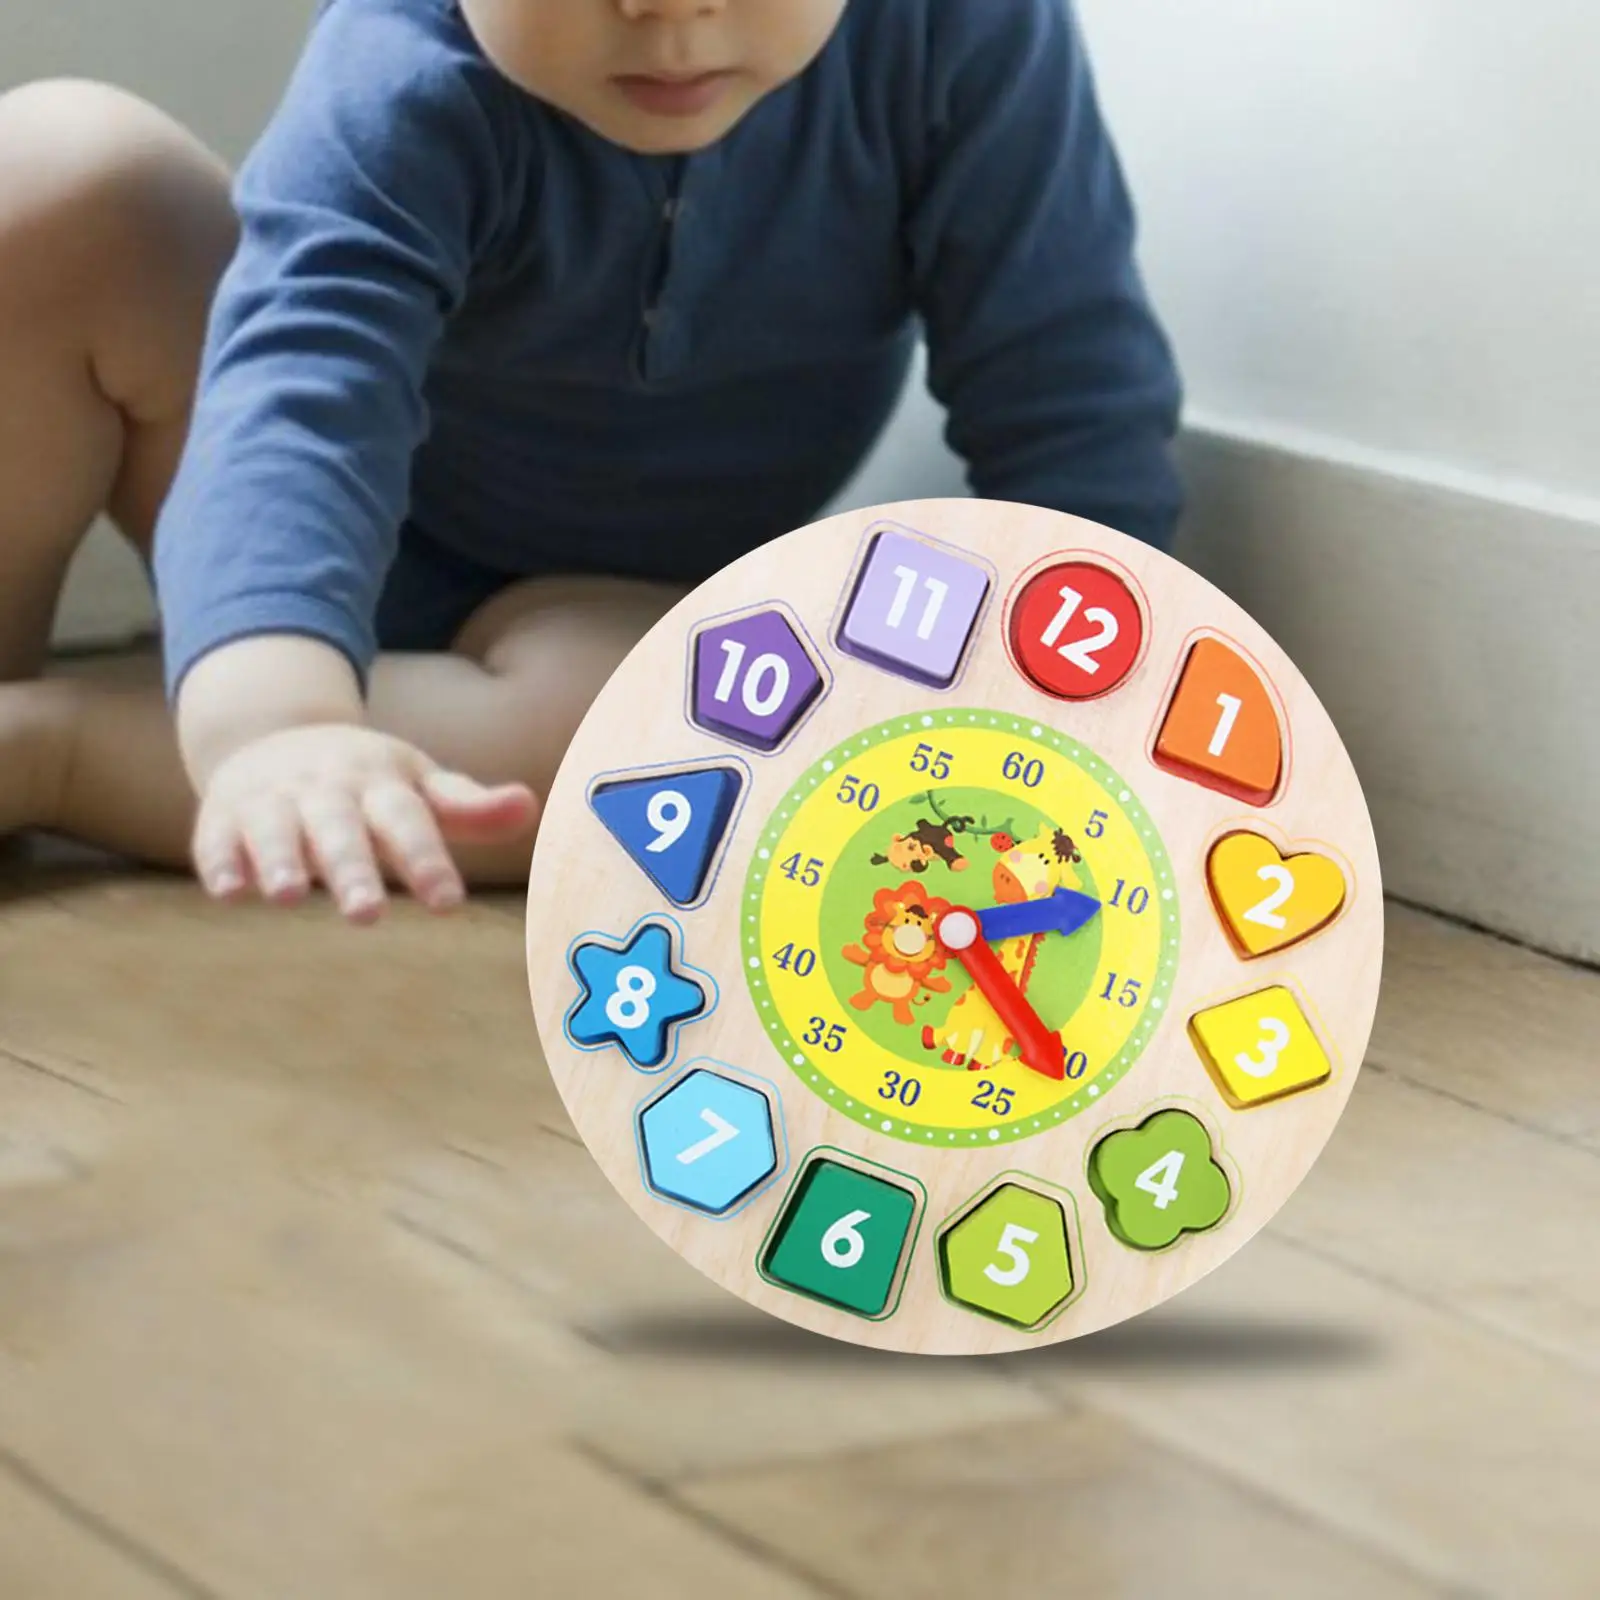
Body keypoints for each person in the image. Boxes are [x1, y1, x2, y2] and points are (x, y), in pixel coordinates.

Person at [0, 0, 1182, 925]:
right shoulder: (402, 60)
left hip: (597, 616)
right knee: (56, 170)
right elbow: (301, 391)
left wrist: (1081, 704)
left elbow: (1067, 390)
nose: (671, 11)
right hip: (272, 518)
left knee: (687, 738)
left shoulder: (961, 34)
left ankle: (45, 748)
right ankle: (219, 719)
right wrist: (273, 722)